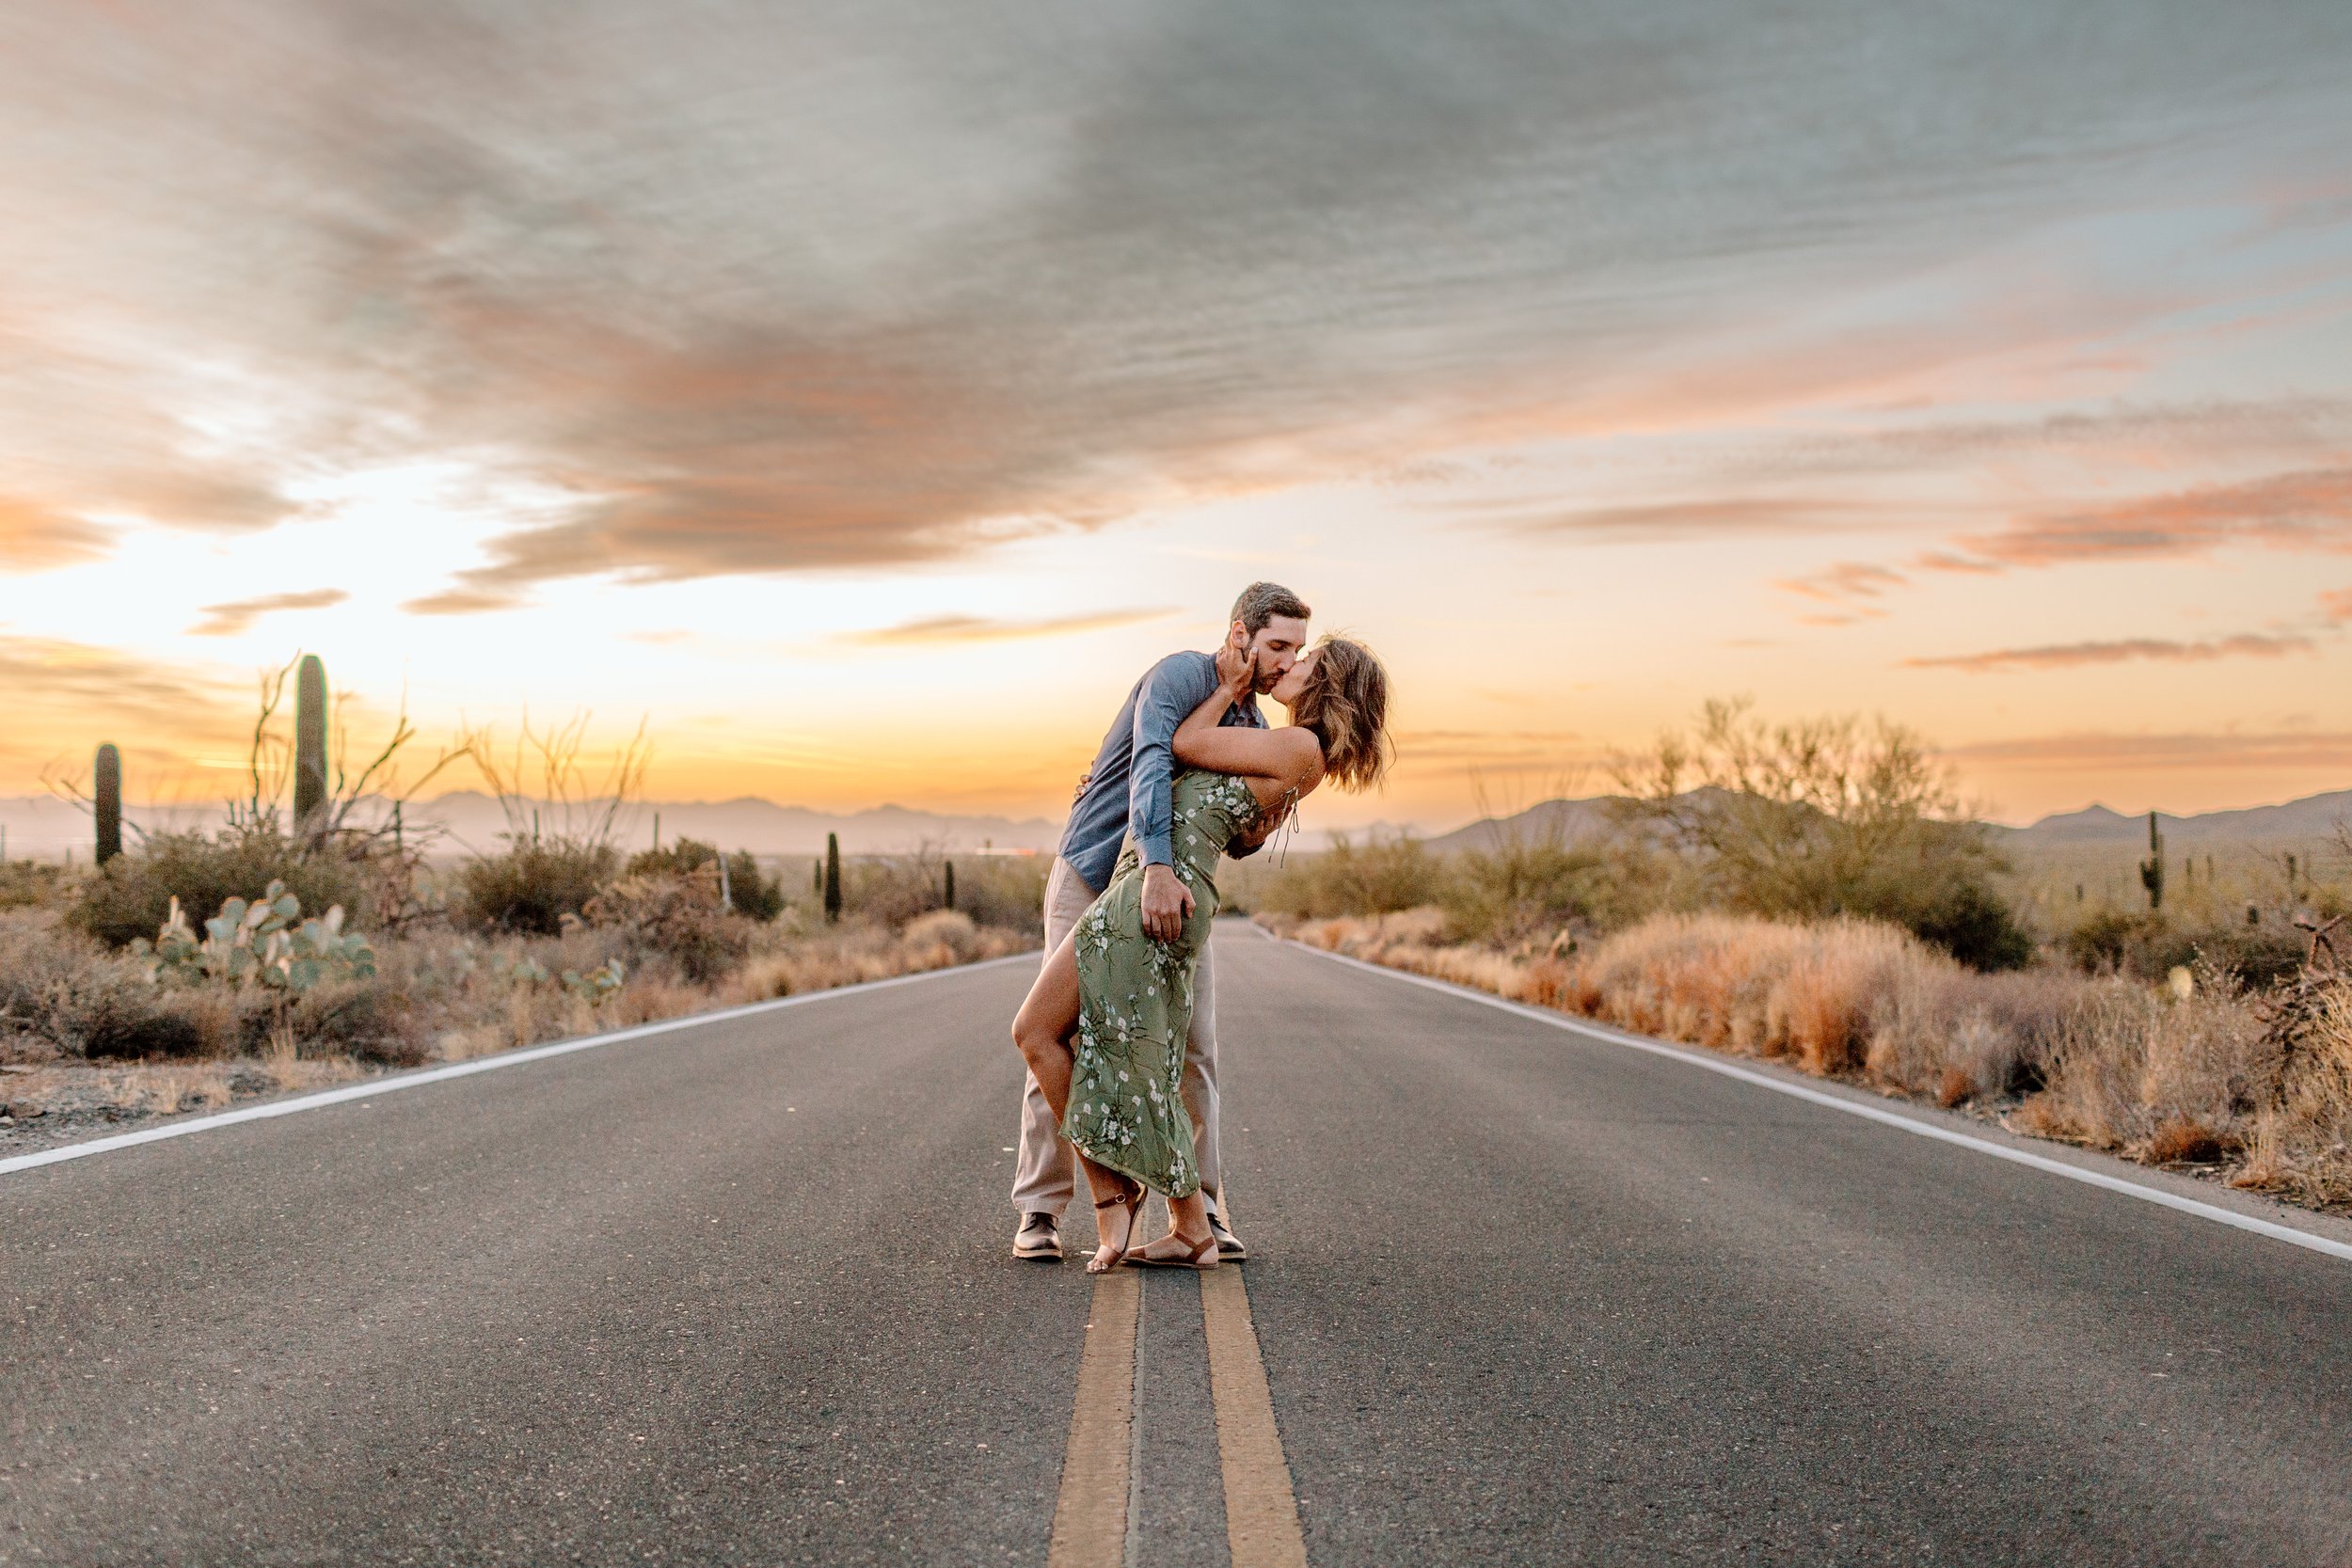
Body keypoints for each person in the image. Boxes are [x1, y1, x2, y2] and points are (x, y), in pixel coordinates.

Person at [1012, 631, 1391, 1270]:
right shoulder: (1289, 745)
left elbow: (1182, 743)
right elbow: (1197, 783)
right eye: (1286, 649)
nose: (1291, 665)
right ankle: (1189, 1225)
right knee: (1151, 1058)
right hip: (1153, 887)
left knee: (1038, 1032)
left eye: (1305, 659)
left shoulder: (1298, 744)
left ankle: (1115, 1195)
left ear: (1327, 682)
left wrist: (1224, 689)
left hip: (1152, 895)